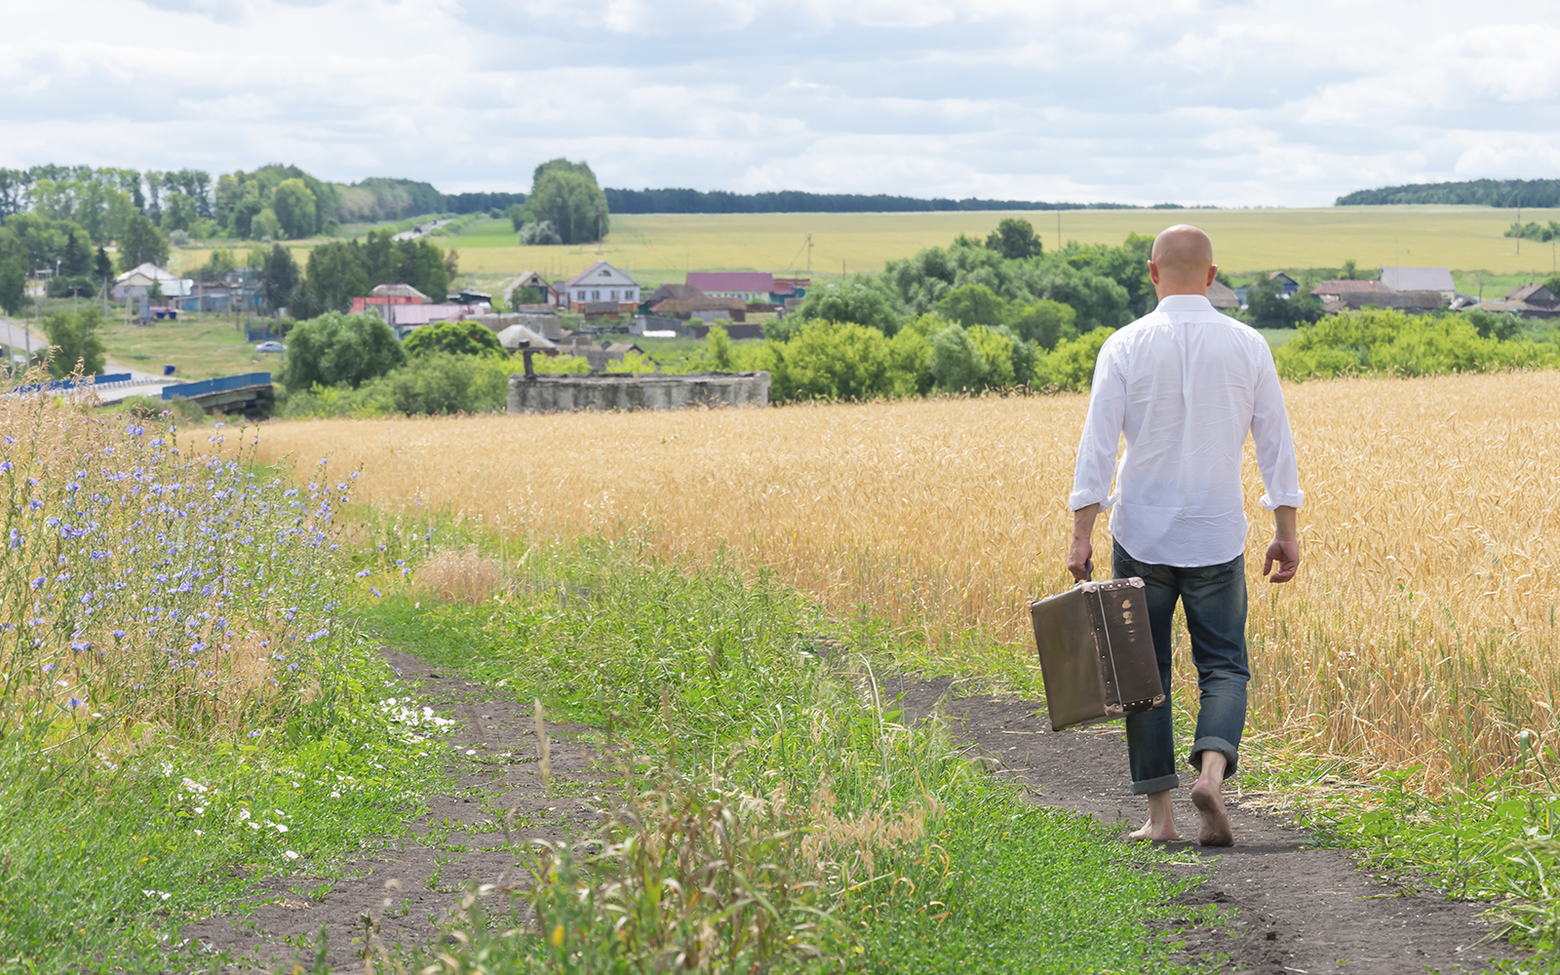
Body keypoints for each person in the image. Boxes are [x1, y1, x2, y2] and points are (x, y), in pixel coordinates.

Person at [1066, 225, 1303, 846]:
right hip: (1217, 534)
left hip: (1140, 532)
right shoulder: (1250, 344)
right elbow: (1276, 442)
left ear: (1152, 273)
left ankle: (1161, 819)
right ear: (1211, 274)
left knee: (1142, 674)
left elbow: (1097, 446)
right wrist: (1287, 528)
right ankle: (1213, 776)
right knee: (1224, 665)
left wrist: (1080, 532)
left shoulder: (1123, 345)